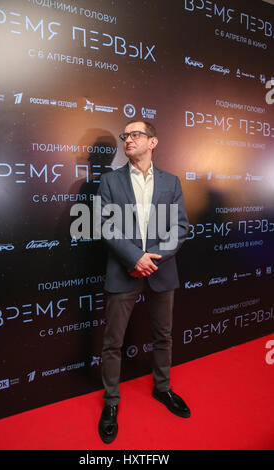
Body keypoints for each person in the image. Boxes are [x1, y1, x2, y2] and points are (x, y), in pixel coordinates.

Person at [97, 120, 190, 444]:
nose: (128, 140)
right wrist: (134, 257)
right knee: (113, 342)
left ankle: (163, 389)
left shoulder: (171, 182)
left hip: (162, 271)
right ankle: (111, 403)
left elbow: (180, 228)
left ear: (153, 142)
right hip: (123, 270)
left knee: (164, 336)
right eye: (125, 136)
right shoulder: (109, 181)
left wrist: (153, 258)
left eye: (135, 134)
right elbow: (106, 226)